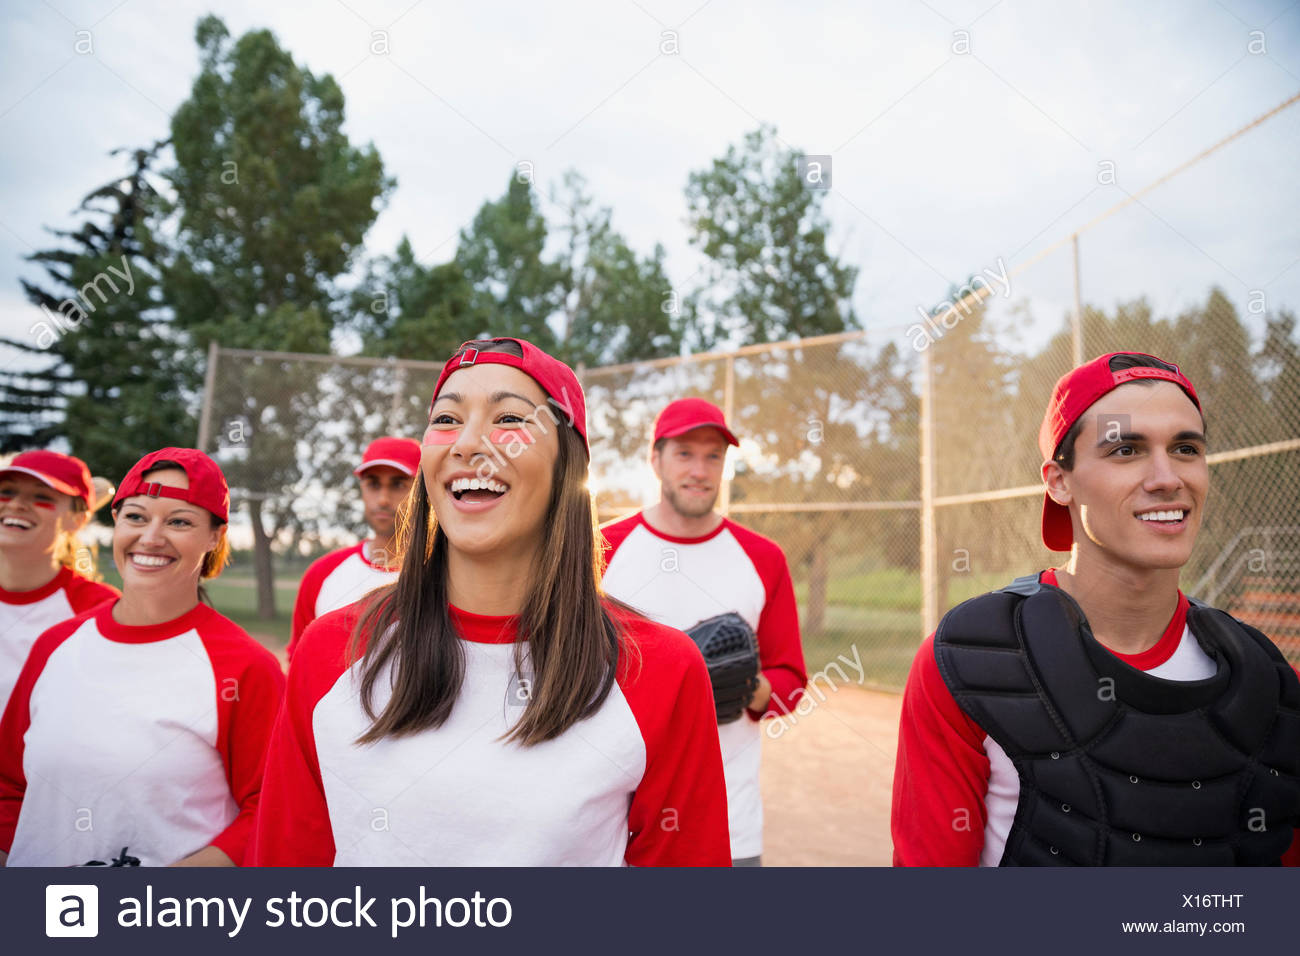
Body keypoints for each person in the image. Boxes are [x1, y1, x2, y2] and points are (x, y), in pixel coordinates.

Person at [251, 338, 730, 867]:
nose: (468, 443)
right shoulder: (331, 651)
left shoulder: (661, 669)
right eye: (448, 418)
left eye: (508, 416)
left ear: (567, 467)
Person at [891, 352, 1300, 866]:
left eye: (1185, 448)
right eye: (1126, 449)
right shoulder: (972, 660)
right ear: (1058, 480)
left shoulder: (1268, 680)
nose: (1166, 477)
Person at [0, 448, 284, 867]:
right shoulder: (54, 644)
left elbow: (271, 807)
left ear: (214, 537)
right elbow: (9, 784)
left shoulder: (245, 666)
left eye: (179, 521)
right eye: (135, 516)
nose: (151, 537)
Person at [601, 397, 808, 866]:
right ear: (655, 460)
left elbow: (792, 685)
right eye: (684, 453)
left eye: (713, 455)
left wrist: (739, 684)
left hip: (728, 824)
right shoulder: (602, 549)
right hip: (614, 822)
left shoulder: (762, 558)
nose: (700, 469)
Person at [0, 451, 119, 715]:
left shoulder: (101, 609)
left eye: (42, 496)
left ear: (77, 520)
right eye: (6, 492)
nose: (16, 505)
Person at [287, 436, 420, 661]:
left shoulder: (445, 574)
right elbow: (300, 664)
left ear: (422, 491)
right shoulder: (323, 574)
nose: (383, 499)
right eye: (373, 484)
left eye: (398, 484)